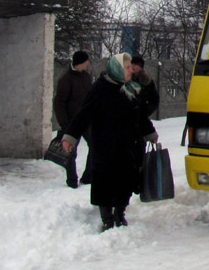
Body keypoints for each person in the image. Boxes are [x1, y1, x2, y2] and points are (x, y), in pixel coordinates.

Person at [62, 53, 158, 231]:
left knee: (126, 181)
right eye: (127, 68)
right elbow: (84, 113)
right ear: (117, 69)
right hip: (106, 146)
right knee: (105, 182)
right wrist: (70, 136)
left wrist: (150, 133)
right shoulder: (100, 88)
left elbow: (140, 115)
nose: (131, 71)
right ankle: (107, 217)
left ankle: (120, 214)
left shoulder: (132, 89)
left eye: (130, 68)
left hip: (129, 146)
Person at [52, 50, 92, 188]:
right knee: (70, 152)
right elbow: (59, 102)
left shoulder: (87, 77)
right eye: (86, 61)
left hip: (86, 121)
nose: (88, 63)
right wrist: (64, 123)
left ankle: (88, 177)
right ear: (80, 63)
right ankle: (72, 180)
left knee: (94, 146)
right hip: (71, 122)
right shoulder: (66, 80)